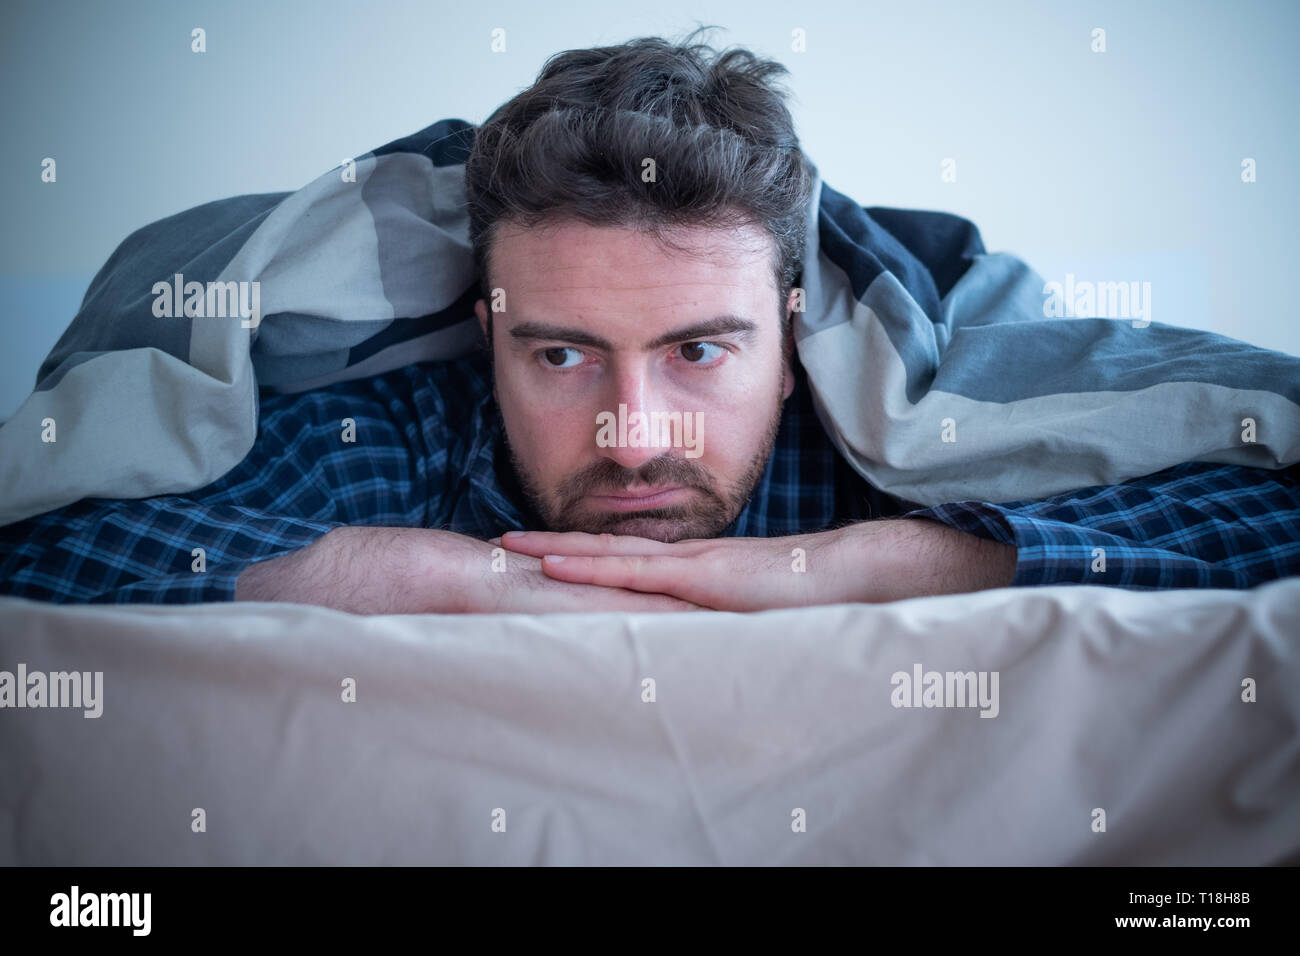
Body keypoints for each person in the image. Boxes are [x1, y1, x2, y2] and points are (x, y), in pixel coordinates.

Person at [2, 33, 1297, 613]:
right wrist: (439, 577)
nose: (631, 435)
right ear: (484, 325)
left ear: (796, 341)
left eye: (699, 350)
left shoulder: (869, 443)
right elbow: (48, 539)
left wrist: (901, 560)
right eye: (561, 353)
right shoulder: (397, 433)